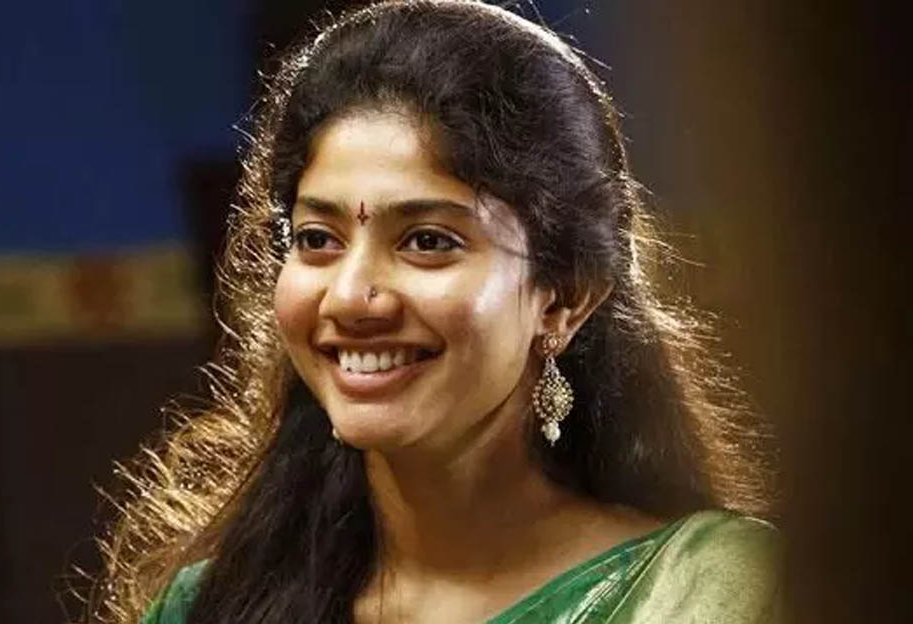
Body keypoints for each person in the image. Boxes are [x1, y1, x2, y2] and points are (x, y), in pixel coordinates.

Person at [84, 1, 781, 622]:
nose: (350, 296)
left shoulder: (699, 594)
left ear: (565, 296)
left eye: (427, 242)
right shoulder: (212, 606)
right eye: (317, 239)